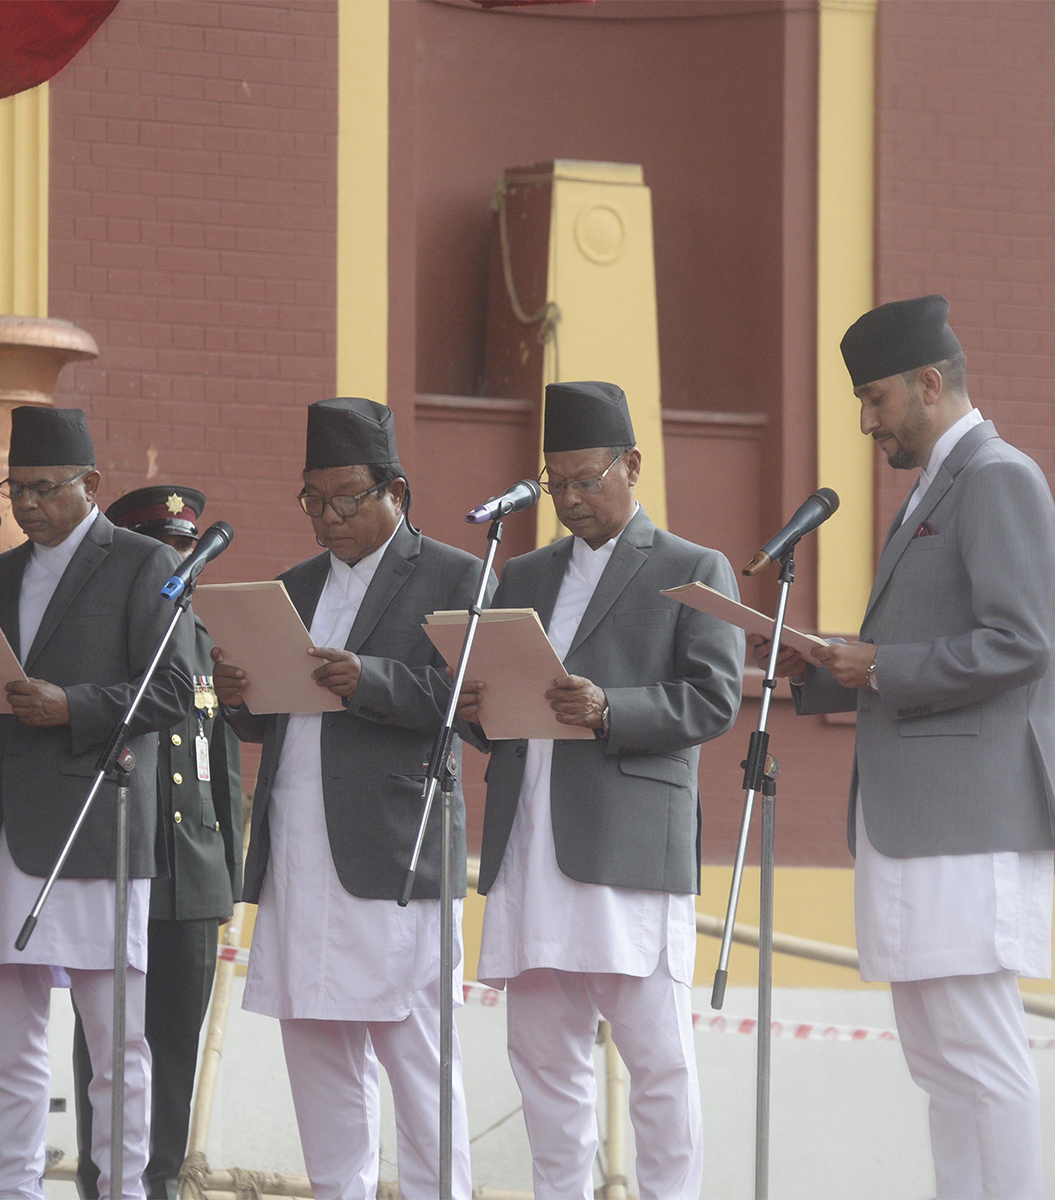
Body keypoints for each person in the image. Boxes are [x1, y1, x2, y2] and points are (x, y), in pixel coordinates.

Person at [759, 295, 1055, 1200]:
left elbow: (1020, 644)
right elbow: (920, 648)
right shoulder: (939, 484)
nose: (866, 421)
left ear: (930, 384)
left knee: (980, 1052)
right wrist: (818, 664)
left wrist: (880, 664)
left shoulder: (997, 475)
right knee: (938, 1062)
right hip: (922, 817)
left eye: (875, 398)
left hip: (968, 813)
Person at [457, 380, 743, 1200]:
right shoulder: (523, 573)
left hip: (626, 845)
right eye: (558, 483)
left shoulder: (693, 568)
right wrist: (476, 708)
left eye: (588, 479)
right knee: (543, 1060)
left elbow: (714, 697)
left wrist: (612, 708)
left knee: (656, 1060)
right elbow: (503, 706)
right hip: (531, 845)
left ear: (633, 466)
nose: (572, 499)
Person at [0, 406, 195, 1200]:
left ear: (90, 484)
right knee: (7, 1047)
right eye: (15, 487)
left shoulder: (142, 562)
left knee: (116, 1045)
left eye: (42, 488)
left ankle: (123, 1189)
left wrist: (73, 706)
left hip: (95, 828)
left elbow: (173, 690)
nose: (26, 503)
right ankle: (11, 1189)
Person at [211, 396, 485, 1200]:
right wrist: (237, 692)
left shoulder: (453, 575)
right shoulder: (293, 585)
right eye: (313, 500)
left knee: (418, 1057)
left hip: (395, 847)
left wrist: (371, 682)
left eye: (345, 499)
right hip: (299, 844)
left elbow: (470, 699)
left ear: (395, 491)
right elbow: (270, 716)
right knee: (316, 1044)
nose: (327, 518)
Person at [73, 485, 245, 1200]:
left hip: (194, 876)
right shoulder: (101, 639)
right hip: (122, 865)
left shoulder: (208, 643)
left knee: (172, 1049)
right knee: (110, 1048)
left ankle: (163, 1182)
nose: (178, 563)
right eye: (162, 550)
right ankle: (103, 1183)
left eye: (185, 549)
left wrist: (231, 877)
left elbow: (225, 769)